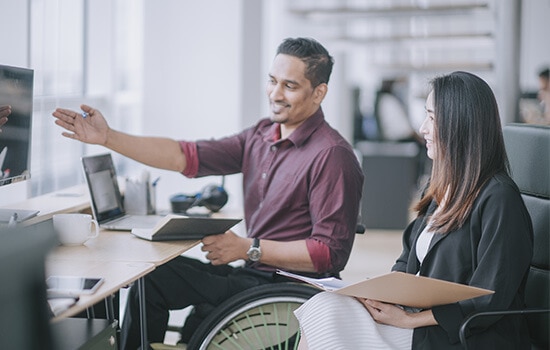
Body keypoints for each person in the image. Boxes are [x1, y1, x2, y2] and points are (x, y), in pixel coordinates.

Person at [52, 37, 364, 349]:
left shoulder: (332, 155)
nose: (275, 94)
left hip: (282, 290)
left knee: (156, 285)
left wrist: (248, 248)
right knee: (152, 275)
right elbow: (183, 155)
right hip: (254, 274)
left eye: (290, 86)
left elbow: (329, 253)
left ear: (318, 92)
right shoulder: (261, 135)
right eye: (272, 81)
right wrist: (108, 137)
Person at [294, 71, 533, 349]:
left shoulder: (499, 198)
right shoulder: (441, 188)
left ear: (460, 124)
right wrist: (378, 293)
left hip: (461, 334)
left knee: (329, 319)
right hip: (417, 318)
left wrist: (409, 320)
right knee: (325, 304)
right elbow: (407, 262)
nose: (422, 128)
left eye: (432, 118)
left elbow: (490, 297)